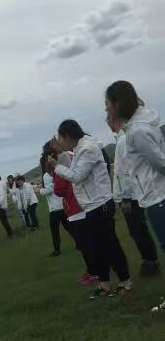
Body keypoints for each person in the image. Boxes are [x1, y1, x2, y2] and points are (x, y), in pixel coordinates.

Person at [51, 120, 132, 298]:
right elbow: (73, 169)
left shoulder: (88, 149)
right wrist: (60, 156)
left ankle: (125, 282)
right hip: (93, 206)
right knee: (98, 247)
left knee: (110, 246)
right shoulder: (79, 149)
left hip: (100, 204)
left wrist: (56, 167)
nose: (60, 142)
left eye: (60, 138)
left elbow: (77, 176)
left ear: (67, 136)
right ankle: (104, 286)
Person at [105, 80, 165, 255]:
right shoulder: (137, 126)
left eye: (107, 104)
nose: (106, 109)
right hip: (155, 195)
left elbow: (160, 163)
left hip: (157, 197)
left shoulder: (137, 130)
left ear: (118, 104)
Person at [108, 114, 160, 276]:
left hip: (131, 195)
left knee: (138, 230)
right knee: (136, 230)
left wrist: (125, 198)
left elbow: (125, 173)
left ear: (115, 120)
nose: (108, 123)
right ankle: (149, 259)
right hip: (131, 194)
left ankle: (150, 261)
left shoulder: (123, 141)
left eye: (109, 118)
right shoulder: (122, 140)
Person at [50, 139, 98, 286]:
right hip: (82, 204)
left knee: (84, 244)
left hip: (74, 206)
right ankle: (95, 270)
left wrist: (54, 170)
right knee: (89, 241)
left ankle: (94, 272)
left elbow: (59, 189)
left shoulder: (62, 161)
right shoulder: (72, 156)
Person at [39, 148, 69, 257]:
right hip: (62, 204)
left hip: (55, 208)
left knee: (54, 230)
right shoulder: (57, 171)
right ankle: (80, 242)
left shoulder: (47, 175)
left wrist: (40, 190)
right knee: (68, 226)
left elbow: (49, 189)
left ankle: (57, 250)